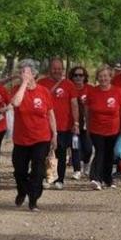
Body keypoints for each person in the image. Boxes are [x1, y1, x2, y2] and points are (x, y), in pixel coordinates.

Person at [10, 59, 55, 212]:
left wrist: (54, 133)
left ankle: (33, 200)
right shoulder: (16, 89)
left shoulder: (44, 91)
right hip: (21, 139)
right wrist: (24, 84)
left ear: (34, 74)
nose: (24, 74)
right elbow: (15, 103)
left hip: (41, 137)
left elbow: (50, 113)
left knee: (38, 170)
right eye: (22, 72)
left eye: (27, 72)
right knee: (19, 170)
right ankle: (22, 191)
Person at [38, 58, 80, 189]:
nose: (57, 71)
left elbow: (74, 104)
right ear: (50, 69)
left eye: (59, 68)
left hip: (64, 126)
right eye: (54, 68)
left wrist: (76, 122)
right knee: (43, 153)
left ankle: (60, 179)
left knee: (61, 153)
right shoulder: (41, 83)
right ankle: (46, 178)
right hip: (44, 126)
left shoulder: (69, 85)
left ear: (63, 69)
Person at [86, 65, 121, 190]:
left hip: (113, 129)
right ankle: (95, 178)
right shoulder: (92, 92)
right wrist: (87, 127)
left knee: (109, 154)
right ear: (97, 78)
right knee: (100, 152)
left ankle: (108, 178)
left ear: (110, 77)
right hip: (96, 129)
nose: (103, 79)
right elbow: (87, 112)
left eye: (105, 76)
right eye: (100, 76)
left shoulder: (118, 92)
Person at [69, 65, 93, 177]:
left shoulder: (90, 89)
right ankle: (77, 170)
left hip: (87, 124)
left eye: (81, 75)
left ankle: (86, 164)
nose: (78, 77)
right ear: (72, 77)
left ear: (85, 77)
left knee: (88, 148)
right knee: (75, 147)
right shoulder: (69, 88)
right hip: (73, 124)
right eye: (75, 75)